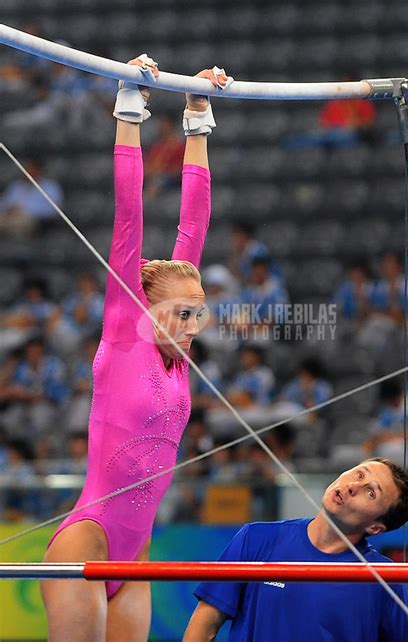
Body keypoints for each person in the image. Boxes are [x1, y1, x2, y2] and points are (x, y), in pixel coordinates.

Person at [40, 56, 230, 642]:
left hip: (136, 551)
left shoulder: (179, 354)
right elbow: (130, 214)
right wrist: (129, 107)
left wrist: (197, 116)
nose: (195, 320)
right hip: (89, 537)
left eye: (199, 308)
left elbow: (194, 224)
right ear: (145, 307)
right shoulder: (126, 333)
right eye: (183, 310)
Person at [183, 457, 408, 642]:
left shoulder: (384, 578)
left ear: (375, 527)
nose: (353, 486)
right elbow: (205, 623)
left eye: (371, 492)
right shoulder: (255, 538)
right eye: (358, 474)